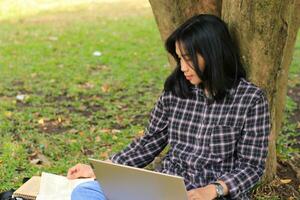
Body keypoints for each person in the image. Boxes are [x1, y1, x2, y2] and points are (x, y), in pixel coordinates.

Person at [67, 14, 270, 200]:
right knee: (85, 193)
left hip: (211, 194)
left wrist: (212, 190)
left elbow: (251, 167)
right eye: (180, 58)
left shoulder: (251, 99)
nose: (182, 68)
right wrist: (102, 170)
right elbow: (149, 142)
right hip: (165, 188)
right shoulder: (175, 91)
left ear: (212, 54)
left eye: (188, 59)